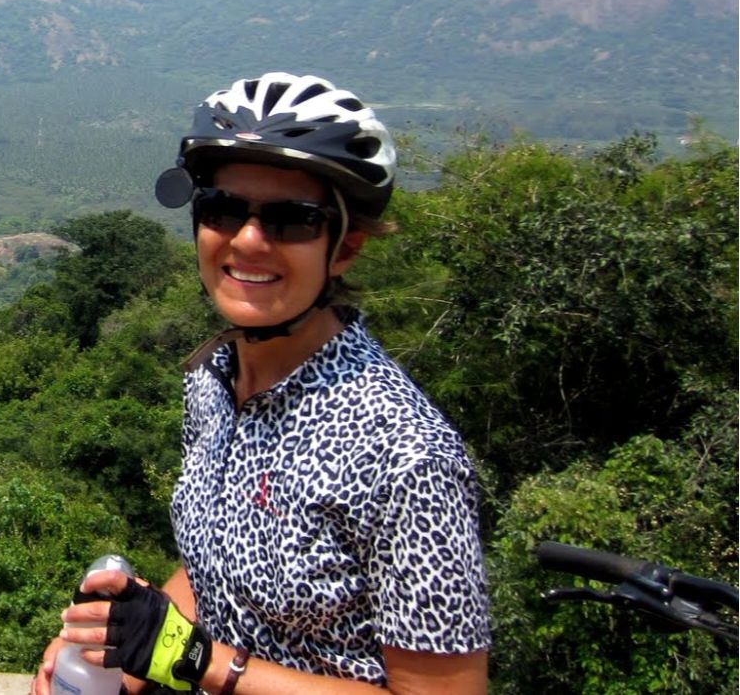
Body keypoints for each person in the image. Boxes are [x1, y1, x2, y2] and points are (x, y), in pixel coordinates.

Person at [33, 73, 491, 694]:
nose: (248, 240)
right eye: (222, 210)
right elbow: (215, 574)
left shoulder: (404, 455)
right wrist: (125, 648)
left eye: (291, 221)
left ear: (344, 248)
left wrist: (196, 659)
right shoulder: (214, 382)